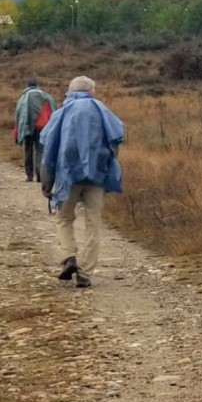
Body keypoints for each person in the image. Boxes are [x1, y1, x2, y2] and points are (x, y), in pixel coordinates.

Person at [38, 75, 124, 289]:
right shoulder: (102, 110)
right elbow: (116, 140)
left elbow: (49, 150)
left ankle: (69, 257)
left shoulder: (62, 113)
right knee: (93, 223)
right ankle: (85, 274)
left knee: (64, 218)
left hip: (69, 177)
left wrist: (47, 184)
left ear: (70, 91)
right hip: (97, 177)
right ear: (91, 90)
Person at [11, 78, 55, 183]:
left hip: (27, 127)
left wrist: (17, 132)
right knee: (40, 151)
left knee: (28, 150)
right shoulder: (46, 96)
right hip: (43, 126)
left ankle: (29, 175)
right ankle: (40, 174)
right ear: (37, 85)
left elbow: (18, 115)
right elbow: (53, 110)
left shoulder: (23, 98)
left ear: (27, 85)